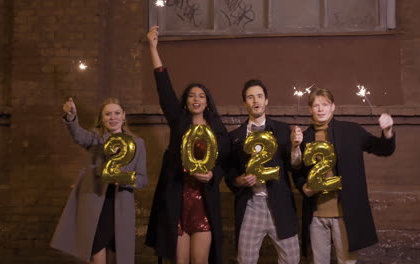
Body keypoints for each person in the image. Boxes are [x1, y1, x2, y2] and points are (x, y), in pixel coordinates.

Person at [144, 26, 230, 264]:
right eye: (192, 95)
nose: (196, 99)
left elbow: (226, 160)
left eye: (201, 95)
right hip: (177, 201)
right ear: (186, 101)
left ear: (207, 101)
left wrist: (213, 174)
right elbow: (164, 88)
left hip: (203, 203)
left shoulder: (216, 128)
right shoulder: (179, 122)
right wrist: (153, 48)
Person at [295, 88, 395, 264]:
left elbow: (382, 148)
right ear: (310, 109)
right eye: (316, 105)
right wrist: (303, 186)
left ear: (333, 107)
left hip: (344, 214)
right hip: (316, 216)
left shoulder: (351, 131)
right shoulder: (304, 137)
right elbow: (298, 172)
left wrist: (387, 132)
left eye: (325, 104)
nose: (320, 109)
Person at [50, 97, 148, 264]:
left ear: (124, 115)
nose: (113, 117)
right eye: (108, 114)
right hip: (95, 203)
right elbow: (79, 136)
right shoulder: (96, 138)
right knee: (97, 250)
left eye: (117, 113)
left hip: (121, 204)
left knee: (118, 253)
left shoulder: (137, 143)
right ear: (102, 118)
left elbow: (142, 179)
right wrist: (71, 117)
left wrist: (123, 179)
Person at [225, 79, 301, 264]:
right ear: (245, 103)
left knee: (291, 259)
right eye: (250, 97)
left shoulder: (283, 131)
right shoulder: (235, 136)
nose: (255, 101)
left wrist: (295, 148)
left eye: (259, 96)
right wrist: (239, 180)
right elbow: (229, 172)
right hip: (251, 205)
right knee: (246, 260)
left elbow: (294, 166)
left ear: (266, 101)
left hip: (280, 204)